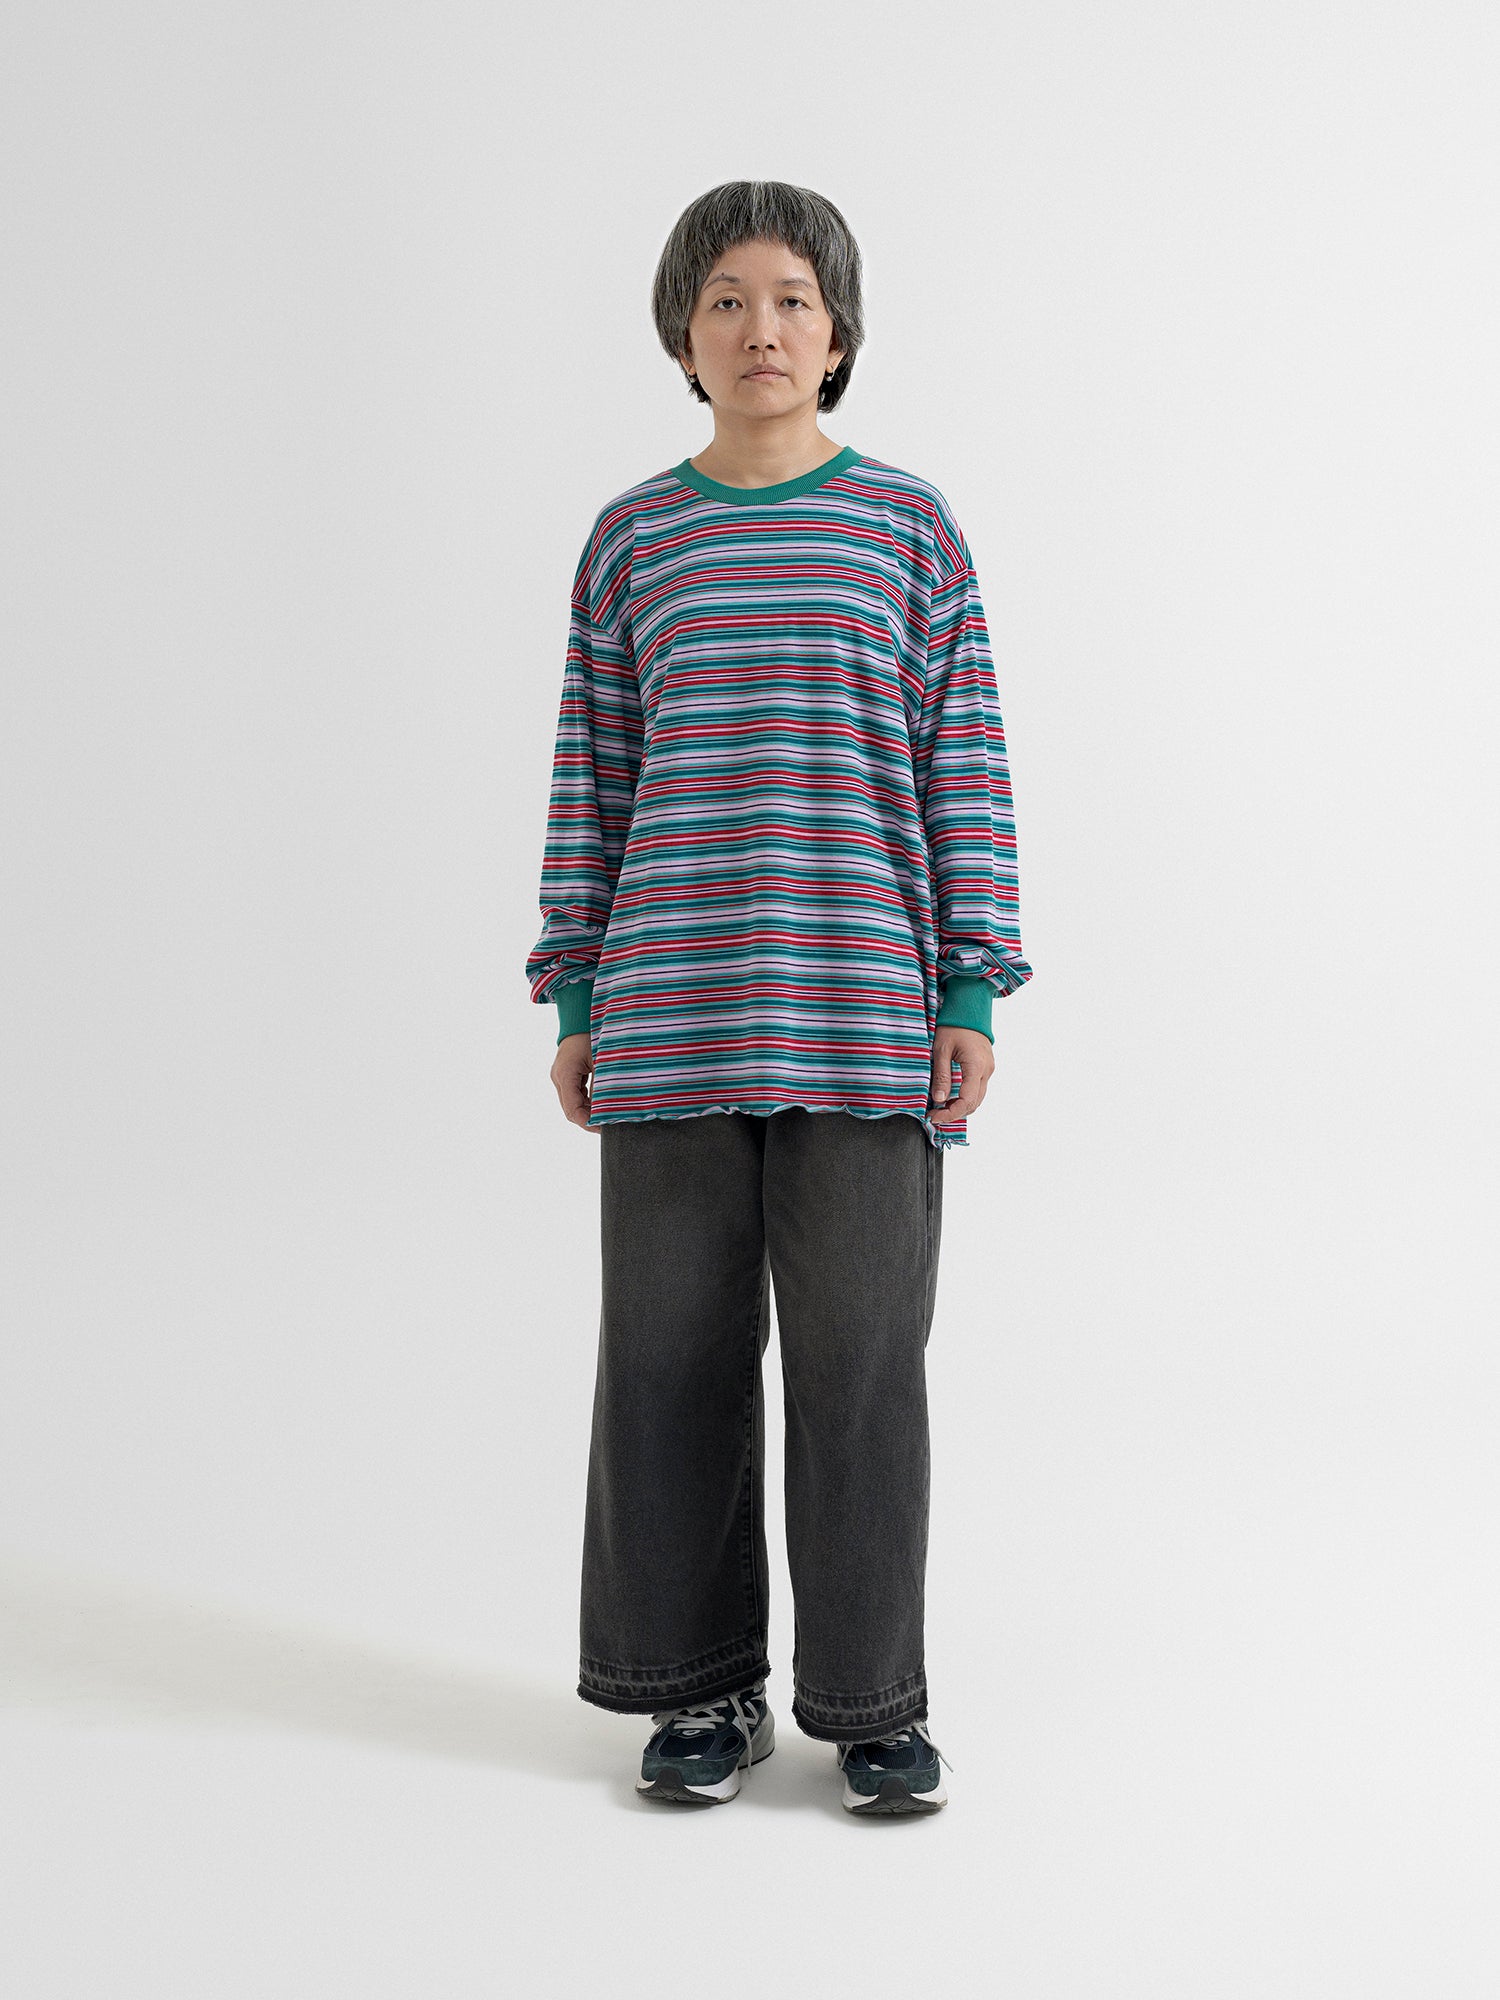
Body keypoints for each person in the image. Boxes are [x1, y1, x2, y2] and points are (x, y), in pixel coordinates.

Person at [525, 180, 1033, 1816]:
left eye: (794, 299)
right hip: (669, 1015)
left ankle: (872, 1703)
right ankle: (699, 1692)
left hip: (868, 1016)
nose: (762, 328)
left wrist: (972, 983)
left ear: (840, 333)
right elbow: (593, 777)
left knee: (863, 1363)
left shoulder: (909, 529)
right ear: (684, 336)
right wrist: (576, 997)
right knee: (667, 1358)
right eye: (728, 300)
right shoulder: (633, 540)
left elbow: (966, 764)